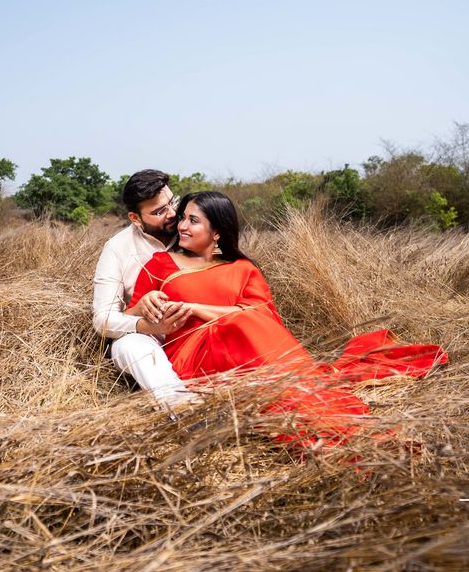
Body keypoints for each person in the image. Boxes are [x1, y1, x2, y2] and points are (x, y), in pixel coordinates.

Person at [128, 190, 448, 449]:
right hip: (192, 354)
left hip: (247, 348)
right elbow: (126, 317)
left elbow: (262, 316)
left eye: (193, 221)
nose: (181, 226)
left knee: (248, 324)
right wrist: (143, 304)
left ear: (217, 233)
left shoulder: (243, 269)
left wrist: (197, 308)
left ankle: (323, 421)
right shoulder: (160, 264)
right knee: (240, 323)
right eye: (182, 218)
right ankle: (311, 420)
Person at [92, 170, 199, 407]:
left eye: (172, 201)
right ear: (135, 218)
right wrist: (141, 318)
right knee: (131, 346)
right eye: (159, 212)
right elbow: (102, 320)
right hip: (147, 337)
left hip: (197, 328)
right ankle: (185, 410)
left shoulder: (193, 229)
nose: (172, 213)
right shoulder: (117, 249)